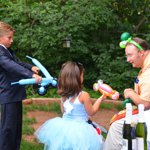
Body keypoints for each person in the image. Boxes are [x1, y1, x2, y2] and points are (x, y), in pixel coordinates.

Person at [35, 61, 106, 150]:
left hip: (64, 128)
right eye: (82, 75)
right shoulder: (83, 95)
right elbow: (91, 112)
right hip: (81, 131)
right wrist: (100, 99)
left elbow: (63, 112)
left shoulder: (64, 94)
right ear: (78, 78)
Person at [0, 21, 42, 150]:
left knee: (16, 129)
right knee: (8, 130)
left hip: (15, 94)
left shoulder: (7, 51)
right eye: (9, 38)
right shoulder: (1, 53)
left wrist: (31, 67)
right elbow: (11, 66)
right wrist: (30, 75)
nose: (12, 40)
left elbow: (18, 63)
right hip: (8, 95)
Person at [104, 36, 150, 150]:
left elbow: (146, 104)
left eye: (130, 55)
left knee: (117, 126)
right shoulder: (145, 67)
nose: (128, 59)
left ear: (141, 52)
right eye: (127, 55)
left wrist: (131, 94)